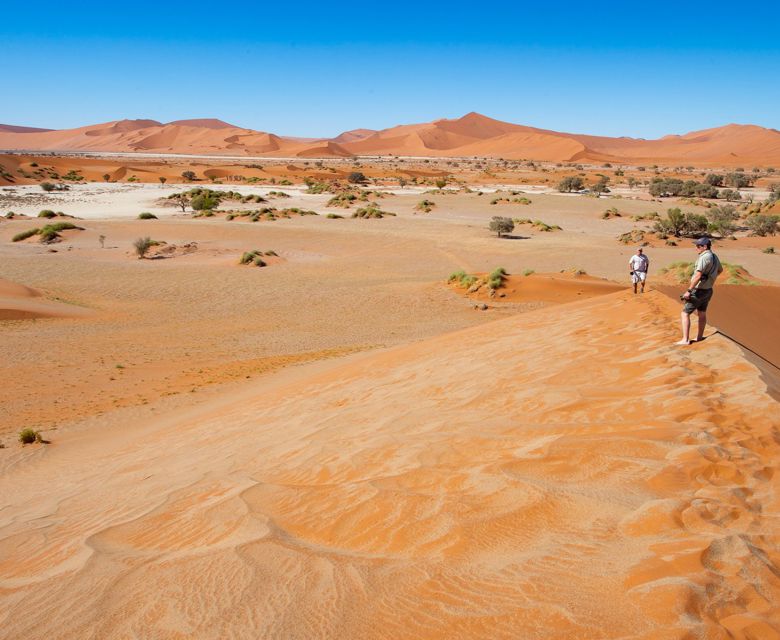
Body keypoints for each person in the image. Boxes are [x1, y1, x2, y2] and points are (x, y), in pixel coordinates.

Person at [675, 237, 723, 345]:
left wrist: (688, 291)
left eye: (698, 246)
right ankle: (699, 337)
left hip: (698, 291)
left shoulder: (704, 257)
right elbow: (720, 270)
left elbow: (698, 275)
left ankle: (685, 339)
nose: (696, 248)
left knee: (685, 313)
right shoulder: (714, 257)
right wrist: (711, 278)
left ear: (705, 247)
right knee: (702, 313)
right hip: (708, 290)